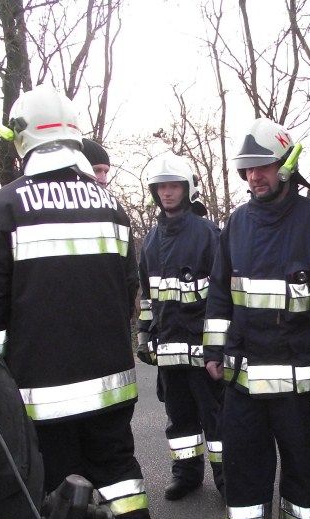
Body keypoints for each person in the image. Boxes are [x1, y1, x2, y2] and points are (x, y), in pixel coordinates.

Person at [0, 85, 155, 519]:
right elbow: (127, 290)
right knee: (119, 473)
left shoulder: (5, 207)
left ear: (22, 138)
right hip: (111, 382)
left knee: (57, 485)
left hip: (42, 391)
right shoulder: (111, 205)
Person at [201, 118, 310, 519]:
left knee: (301, 474)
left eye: (264, 166)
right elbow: (220, 294)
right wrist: (213, 350)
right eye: (248, 169)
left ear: (287, 165)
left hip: (302, 389)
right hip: (244, 385)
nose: (255, 176)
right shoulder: (237, 224)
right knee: (243, 471)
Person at [136, 153, 224, 501]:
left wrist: (219, 346)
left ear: (187, 189)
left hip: (204, 352)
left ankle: (228, 479)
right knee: (179, 420)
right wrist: (144, 335)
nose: (167, 193)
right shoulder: (150, 242)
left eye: (174, 186)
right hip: (169, 353)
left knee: (217, 420)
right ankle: (186, 475)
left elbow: (222, 296)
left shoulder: (208, 234)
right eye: (161, 187)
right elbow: (148, 297)